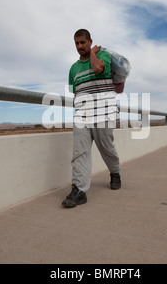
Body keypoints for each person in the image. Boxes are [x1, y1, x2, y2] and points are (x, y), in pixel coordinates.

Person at [62, 29, 121, 208]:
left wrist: (93, 53)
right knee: (79, 153)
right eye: (77, 43)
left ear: (90, 42)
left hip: (103, 114)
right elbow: (75, 93)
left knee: (107, 148)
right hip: (82, 116)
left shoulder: (102, 55)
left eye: (83, 43)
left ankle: (115, 173)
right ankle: (79, 190)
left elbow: (97, 69)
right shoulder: (73, 68)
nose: (79, 46)